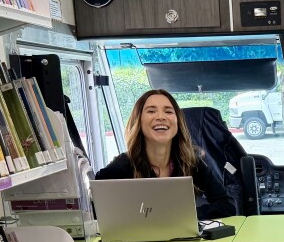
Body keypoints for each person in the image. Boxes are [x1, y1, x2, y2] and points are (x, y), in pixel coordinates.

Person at [95, 88, 237, 218]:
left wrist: (186, 216)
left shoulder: (190, 162)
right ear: (139, 121)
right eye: (151, 111)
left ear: (177, 122)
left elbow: (227, 205)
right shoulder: (122, 165)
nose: (161, 117)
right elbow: (99, 209)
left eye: (168, 111)